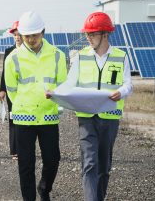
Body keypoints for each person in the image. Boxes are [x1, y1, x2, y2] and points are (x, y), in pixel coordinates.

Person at [58, 12, 132, 201]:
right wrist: (55, 92)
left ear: (105, 34)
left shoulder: (120, 57)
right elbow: (69, 83)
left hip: (110, 118)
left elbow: (128, 84)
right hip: (86, 117)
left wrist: (121, 92)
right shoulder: (81, 57)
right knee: (90, 163)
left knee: (104, 166)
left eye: (92, 34)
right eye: (87, 34)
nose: (88, 38)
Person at [4, 11, 67, 201]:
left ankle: (44, 188)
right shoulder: (13, 58)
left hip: (48, 116)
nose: (31, 39)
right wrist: (26, 104)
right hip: (24, 119)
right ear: (22, 35)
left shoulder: (57, 55)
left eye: (34, 35)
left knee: (52, 160)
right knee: (25, 165)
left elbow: (63, 85)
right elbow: (12, 90)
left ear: (43, 32)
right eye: (27, 35)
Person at [0, 21, 23, 160]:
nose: (17, 37)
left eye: (19, 35)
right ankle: (15, 150)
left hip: (25, 91)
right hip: (11, 90)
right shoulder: (8, 51)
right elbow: (5, 72)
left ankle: (24, 147)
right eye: (15, 35)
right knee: (13, 118)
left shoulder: (29, 52)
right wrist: (2, 89)